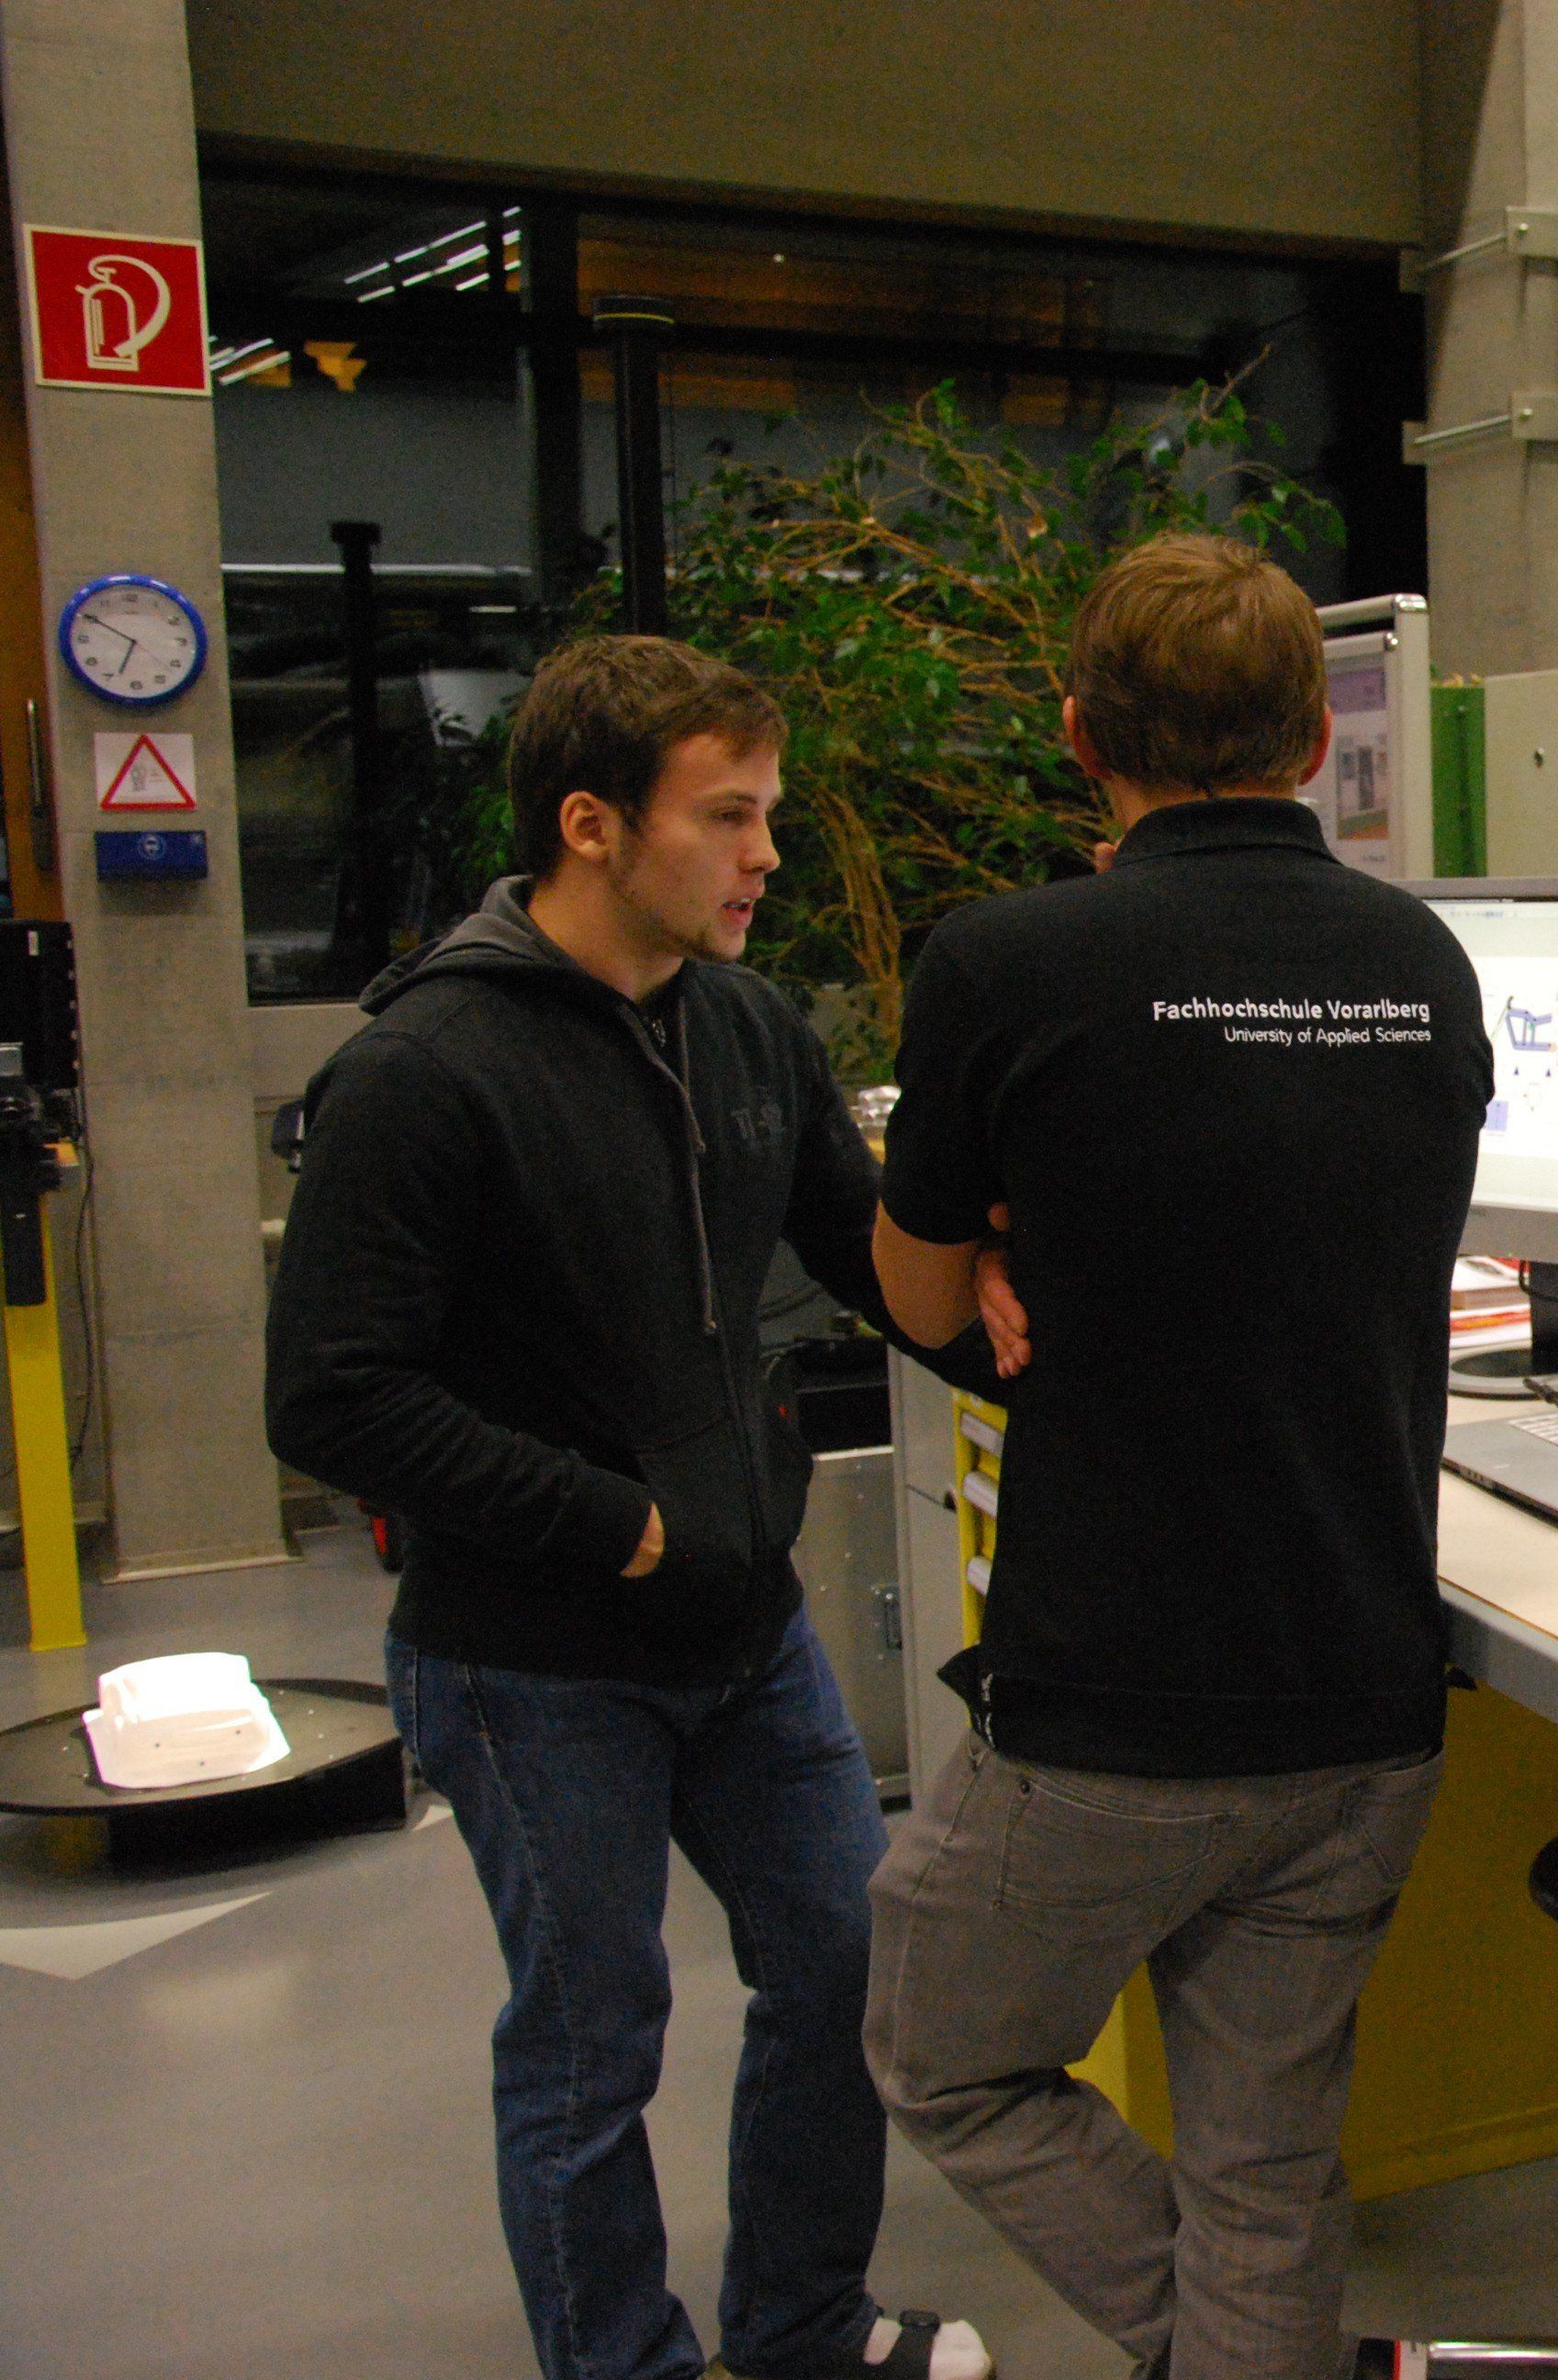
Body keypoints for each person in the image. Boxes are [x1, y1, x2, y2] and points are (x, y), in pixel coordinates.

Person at [267, 635, 1008, 2380]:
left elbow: (868, 1253)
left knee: (845, 1964)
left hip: (745, 1635)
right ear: (590, 825)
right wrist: (616, 1521)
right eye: (727, 816)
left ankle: (801, 2325)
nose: (767, 854)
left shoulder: (744, 1027)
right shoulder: (425, 1069)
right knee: (594, 2041)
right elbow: (331, 1398)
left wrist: (1032, 1333)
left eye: (768, 813)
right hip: (533, 1659)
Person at [861, 533, 1489, 2380]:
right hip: (1361, 1695)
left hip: (1113, 1708)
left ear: (1080, 737)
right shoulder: (1423, 961)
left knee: (943, 2055)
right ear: (1311, 742)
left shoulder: (1005, 963)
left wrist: (996, 1242)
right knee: (1266, 2171)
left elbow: (918, 1296)